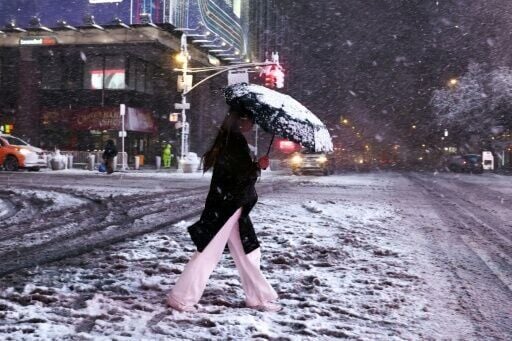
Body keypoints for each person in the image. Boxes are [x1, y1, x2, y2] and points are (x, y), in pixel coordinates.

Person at [166, 106, 278, 312]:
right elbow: (237, 176)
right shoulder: (233, 142)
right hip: (228, 205)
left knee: (248, 250)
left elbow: (235, 173)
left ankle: (257, 297)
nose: (252, 124)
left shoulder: (230, 140)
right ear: (241, 120)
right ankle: (181, 298)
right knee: (211, 252)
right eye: (250, 120)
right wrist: (257, 166)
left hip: (229, 204)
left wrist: (254, 166)